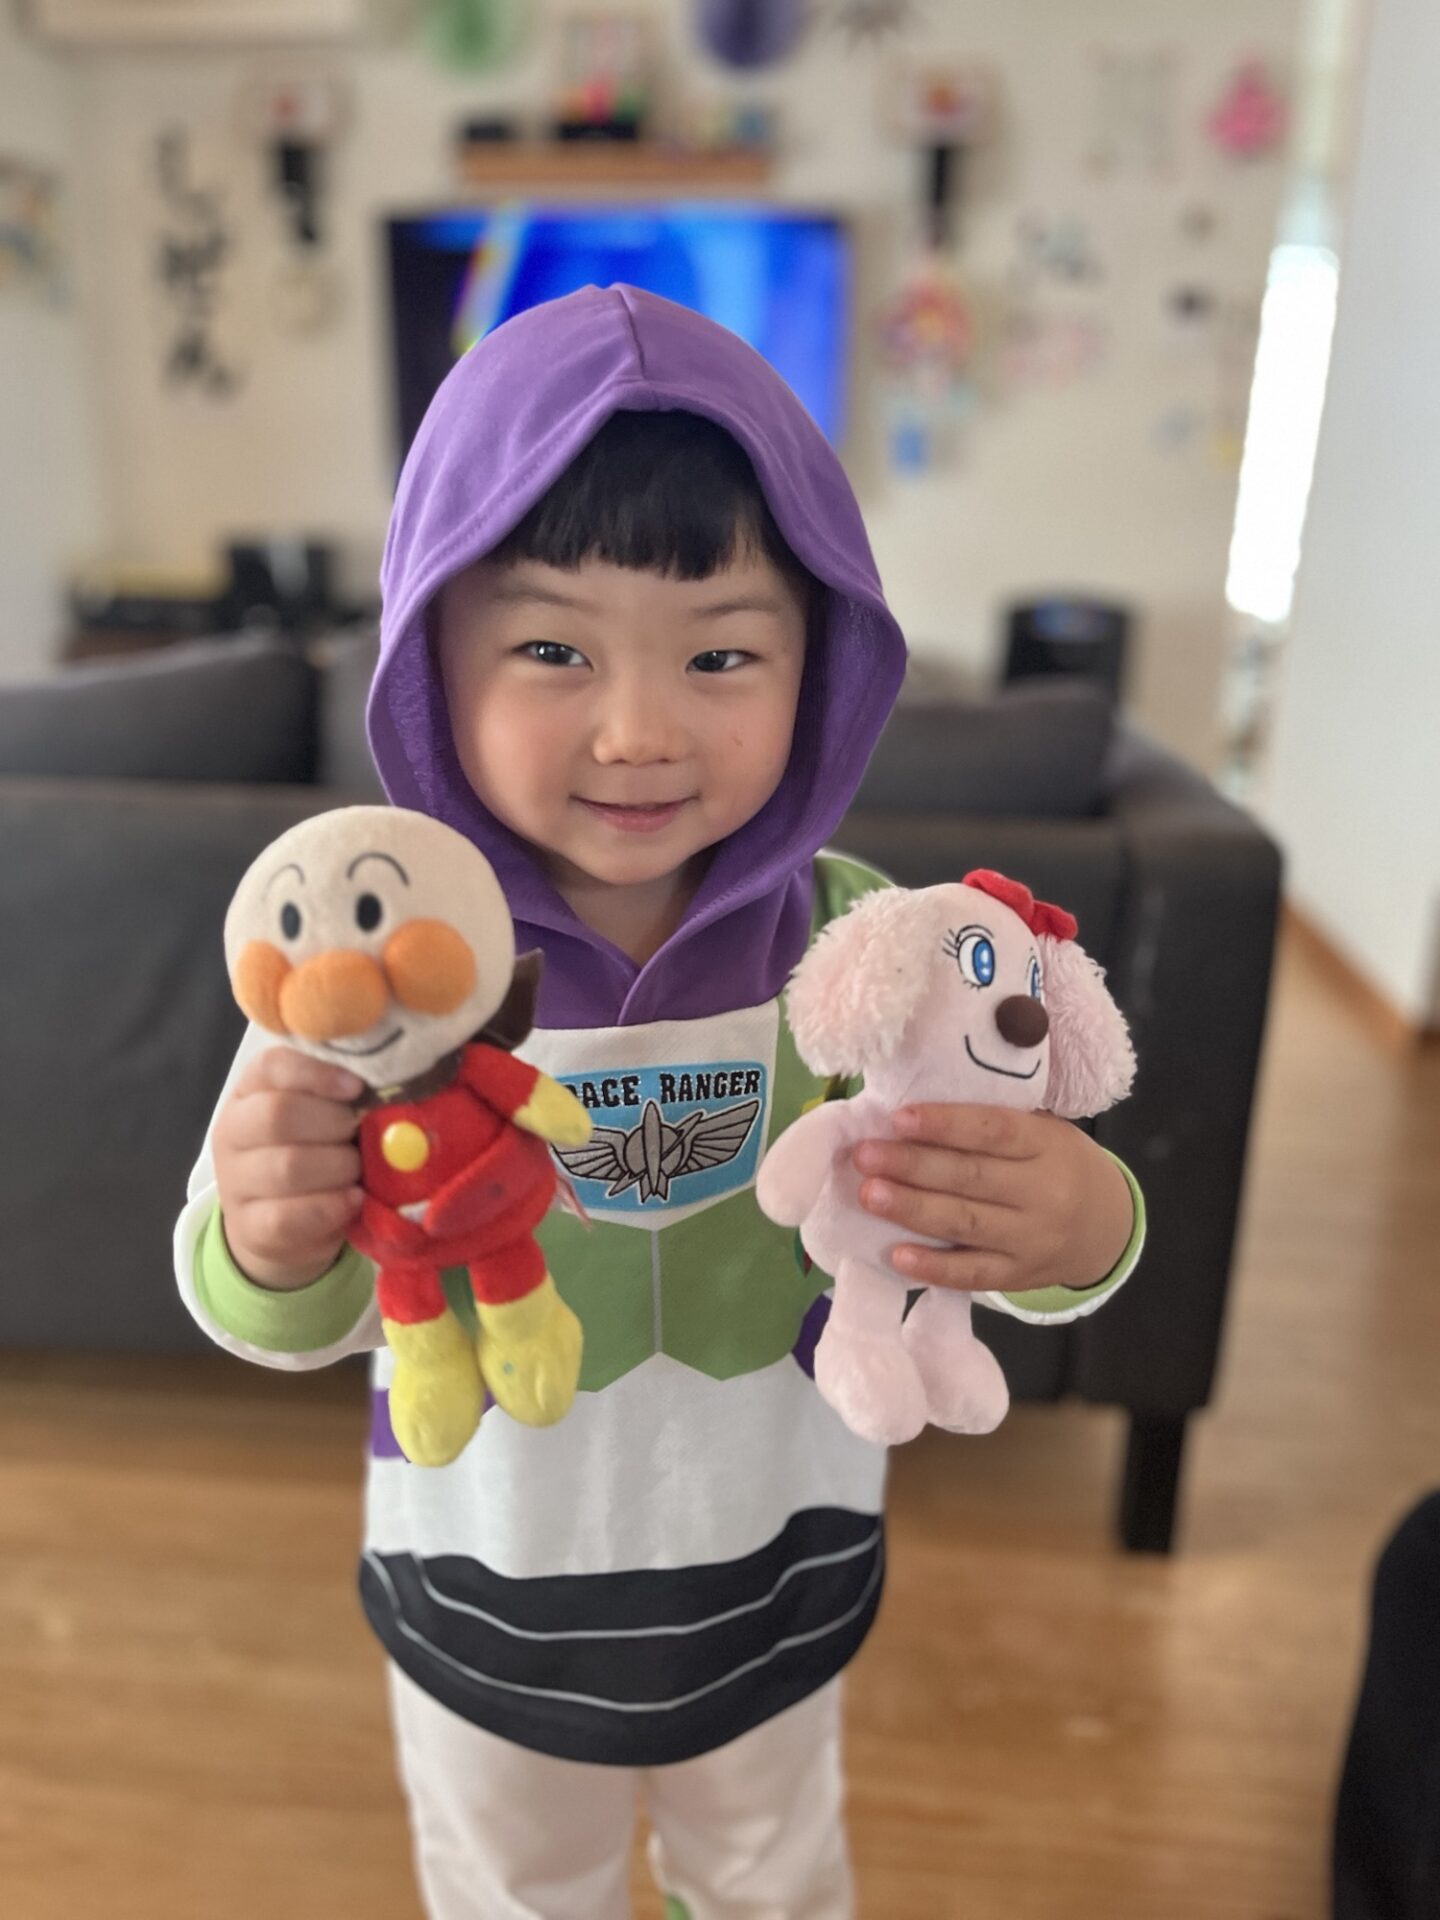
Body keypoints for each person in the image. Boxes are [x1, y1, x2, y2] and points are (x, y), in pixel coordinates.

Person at [174, 284, 1147, 1920]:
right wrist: (270, 1241)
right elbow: (280, 1306)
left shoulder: (876, 952)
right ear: (429, 663)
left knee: (773, 1882)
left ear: (820, 667)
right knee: (516, 1894)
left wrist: (1086, 1221)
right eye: (552, 649)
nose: (638, 732)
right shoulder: (372, 964)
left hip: (776, 1584)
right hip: (482, 1593)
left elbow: (1008, 1202)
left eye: (721, 654)